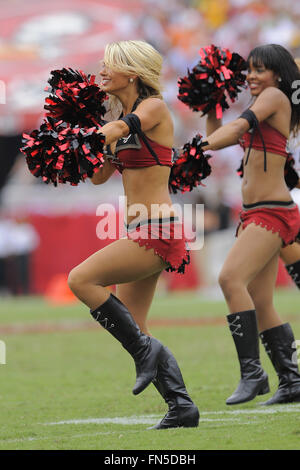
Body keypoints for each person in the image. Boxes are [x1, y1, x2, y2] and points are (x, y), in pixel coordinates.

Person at [67, 40, 199, 429]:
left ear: (133, 72)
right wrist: (84, 136)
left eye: (111, 65)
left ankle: (147, 355)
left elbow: (123, 127)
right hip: (141, 228)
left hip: (158, 229)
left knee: (80, 279)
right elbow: (97, 177)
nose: (102, 71)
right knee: (137, 329)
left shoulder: (153, 107)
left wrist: (95, 133)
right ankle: (181, 406)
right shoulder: (121, 116)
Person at [202, 44, 300, 405]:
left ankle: (252, 373)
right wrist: (210, 101)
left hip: (272, 212)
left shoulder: (273, 97)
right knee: (260, 300)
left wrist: (191, 150)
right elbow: (220, 134)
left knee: (229, 279)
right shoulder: (267, 101)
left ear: (277, 74)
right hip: (258, 212)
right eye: (249, 70)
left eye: (260, 69)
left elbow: (236, 128)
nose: (252, 76)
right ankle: (291, 381)